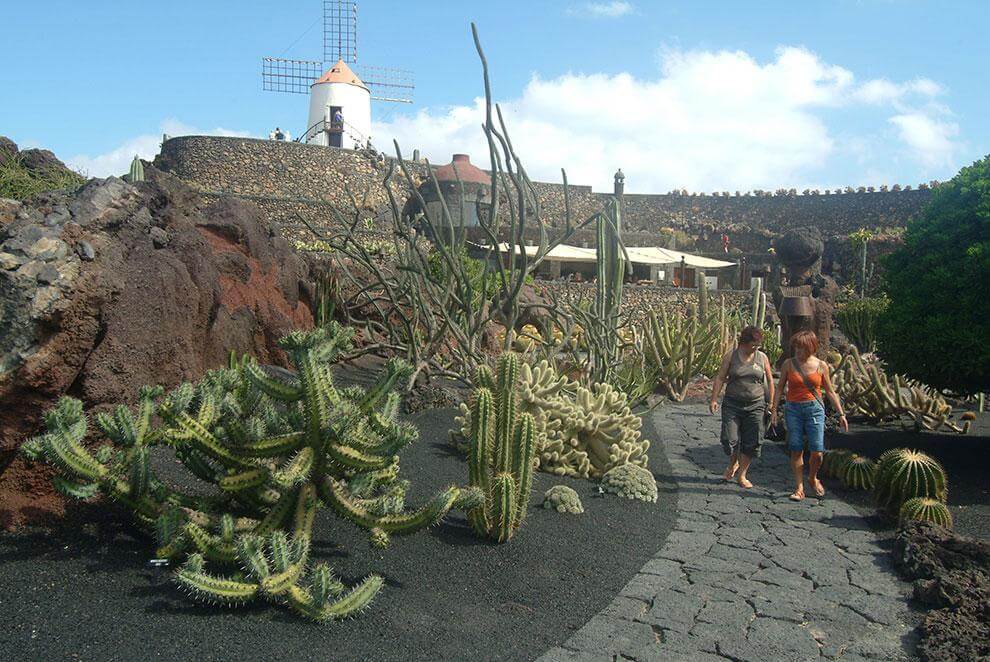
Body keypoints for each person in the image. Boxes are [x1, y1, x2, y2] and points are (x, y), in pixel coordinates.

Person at [770, 330, 848, 501]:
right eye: (796, 347)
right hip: (793, 409)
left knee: (817, 452)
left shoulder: (821, 366)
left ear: (811, 347)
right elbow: (780, 388)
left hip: (814, 409)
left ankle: (812, 477)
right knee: (796, 448)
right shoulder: (789, 364)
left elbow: (829, 391)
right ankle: (799, 487)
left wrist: (841, 414)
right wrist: (774, 410)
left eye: (802, 348)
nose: (798, 351)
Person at [710, 326, 775, 488]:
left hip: (756, 404)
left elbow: (770, 381)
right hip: (733, 403)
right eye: (753, 345)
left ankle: (742, 474)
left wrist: (772, 403)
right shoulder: (731, 356)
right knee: (729, 439)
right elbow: (720, 377)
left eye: (758, 345)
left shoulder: (762, 358)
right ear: (744, 342)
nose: (756, 348)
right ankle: (733, 463)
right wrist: (714, 399)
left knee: (752, 441)